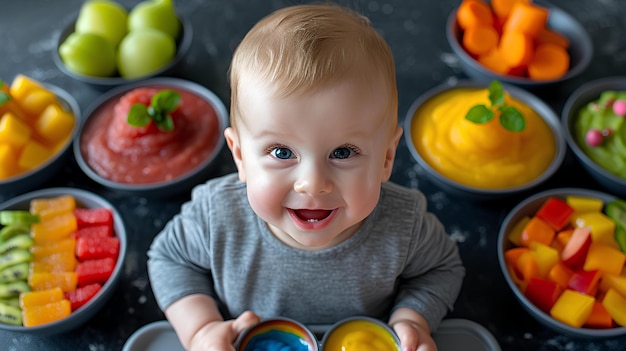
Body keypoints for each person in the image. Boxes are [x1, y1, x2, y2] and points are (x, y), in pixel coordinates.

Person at [147, 3, 465, 351]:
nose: (313, 184)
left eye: (342, 152)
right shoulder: (216, 216)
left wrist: (413, 319)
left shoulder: (406, 225)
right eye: (282, 153)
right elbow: (169, 259)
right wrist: (200, 329)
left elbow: (441, 269)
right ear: (240, 156)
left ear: (387, 157)